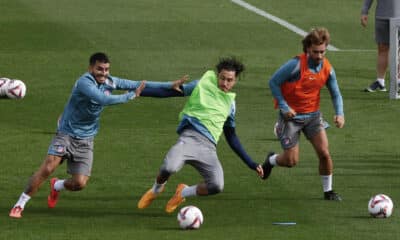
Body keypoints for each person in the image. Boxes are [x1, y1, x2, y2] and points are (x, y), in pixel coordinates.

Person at [9, 52, 188, 218]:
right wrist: (130, 96)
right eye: (99, 69)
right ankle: (20, 204)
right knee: (48, 167)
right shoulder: (84, 83)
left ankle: (56, 185)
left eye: (106, 69)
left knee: (79, 183)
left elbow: (139, 84)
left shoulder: (110, 81)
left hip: (86, 139)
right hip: (67, 133)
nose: (103, 73)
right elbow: (103, 99)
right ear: (91, 68)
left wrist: (169, 85)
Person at [137, 57, 264, 213]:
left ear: (235, 80)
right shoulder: (202, 84)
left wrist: (251, 163)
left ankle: (182, 193)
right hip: (189, 137)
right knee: (168, 167)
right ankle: (156, 190)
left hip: (208, 148)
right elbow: (171, 92)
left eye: (229, 80)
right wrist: (140, 92)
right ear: (217, 75)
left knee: (217, 185)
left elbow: (231, 136)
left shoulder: (230, 104)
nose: (225, 83)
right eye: (222, 78)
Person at [264, 27, 345, 201]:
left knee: (324, 152)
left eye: (323, 51)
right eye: (316, 52)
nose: (320, 56)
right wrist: (284, 107)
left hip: (313, 116)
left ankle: (328, 191)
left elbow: (335, 93)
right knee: (291, 161)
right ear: (308, 48)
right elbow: (273, 82)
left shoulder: (328, 69)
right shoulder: (294, 65)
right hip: (291, 118)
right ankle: (271, 160)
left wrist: (340, 113)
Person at [361, 0, 400, 92]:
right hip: (381, 16)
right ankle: (380, 81)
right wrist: (364, 11)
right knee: (382, 49)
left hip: (399, 17)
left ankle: (398, 81)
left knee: (398, 49)